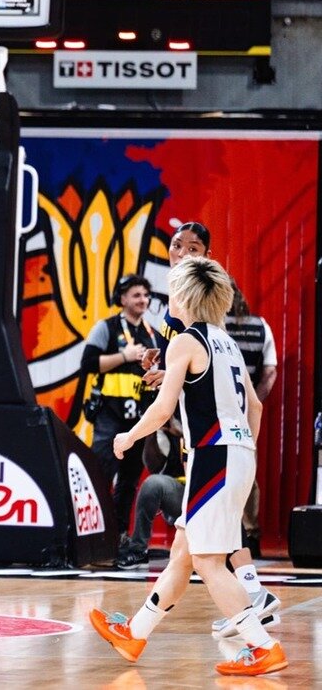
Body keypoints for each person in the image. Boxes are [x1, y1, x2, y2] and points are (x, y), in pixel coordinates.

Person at [89, 257, 287, 678]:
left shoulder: (185, 342)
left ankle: (263, 646)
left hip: (213, 456)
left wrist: (127, 438)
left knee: (209, 562)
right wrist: (243, 445)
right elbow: (254, 404)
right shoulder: (224, 341)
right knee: (183, 553)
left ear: (182, 296)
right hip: (238, 455)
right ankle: (135, 633)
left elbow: (162, 410)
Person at [143, 220, 280, 634]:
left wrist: (132, 434)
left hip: (215, 442)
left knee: (205, 549)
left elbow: (202, 366)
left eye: (193, 246)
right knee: (193, 543)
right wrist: (166, 368)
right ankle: (134, 632)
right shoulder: (180, 314)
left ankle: (257, 623)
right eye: (176, 244)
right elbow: (195, 368)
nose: (182, 251)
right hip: (227, 445)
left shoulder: (199, 313)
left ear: (206, 257)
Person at [81, 273, 157, 558]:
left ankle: (119, 537)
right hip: (109, 418)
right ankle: (90, 537)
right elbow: (88, 363)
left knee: (128, 481)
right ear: (122, 298)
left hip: (138, 419)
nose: (143, 300)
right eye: (136, 295)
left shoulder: (151, 333)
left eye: (146, 295)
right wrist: (124, 356)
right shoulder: (107, 327)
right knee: (100, 476)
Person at [223, 279, 278, 556]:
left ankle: (221, 537)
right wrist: (250, 403)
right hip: (243, 415)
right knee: (247, 474)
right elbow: (269, 374)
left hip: (211, 415)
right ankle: (251, 536)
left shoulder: (206, 328)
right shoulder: (261, 326)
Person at [116, 417, 186, 570]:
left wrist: (183, 433)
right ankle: (138, 549)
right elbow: (153, 466)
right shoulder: (169, 422)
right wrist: (152, 431)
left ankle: (236, 550)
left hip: (210, 492)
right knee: (152, 483)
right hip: (181, 491)